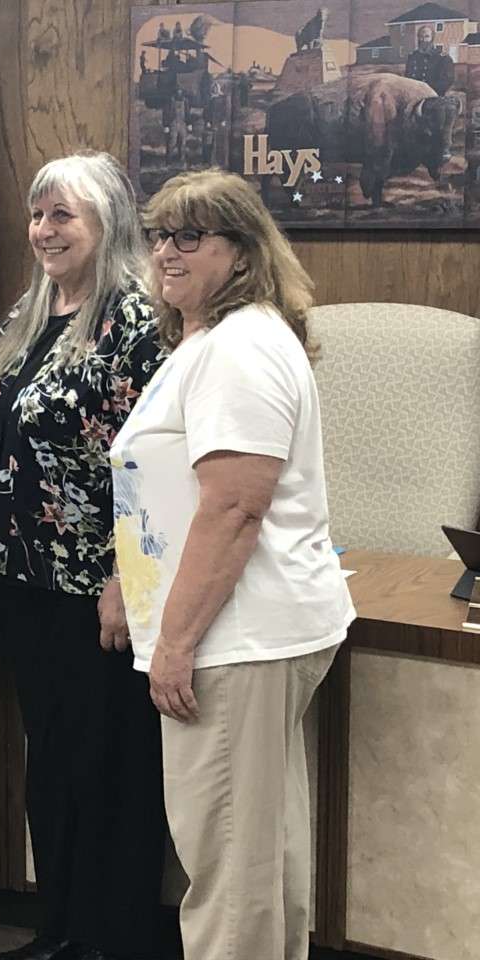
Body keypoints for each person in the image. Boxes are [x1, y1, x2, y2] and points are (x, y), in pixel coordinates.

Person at [111, 168, 354, 960]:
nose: (166, 252)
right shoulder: (217, 339)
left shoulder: (240, 348)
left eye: (191, 236)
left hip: (233, 637)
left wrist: (174, 642)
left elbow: (234, 508)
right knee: (258, 854)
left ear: (242, 251)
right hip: (244, 631)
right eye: (157, 235)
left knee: (226, 868)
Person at [0, 152, 167, 960]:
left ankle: (107, 937)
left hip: (99, 587)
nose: (45, 230)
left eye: (65, 216)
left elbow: (151, 460)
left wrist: (126, 578)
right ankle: (58, 929)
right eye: (38, 215)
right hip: (22, 579)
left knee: (105, 769)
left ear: (108, 224)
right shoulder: (30, 309)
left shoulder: (138, 319)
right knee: (50, 765)